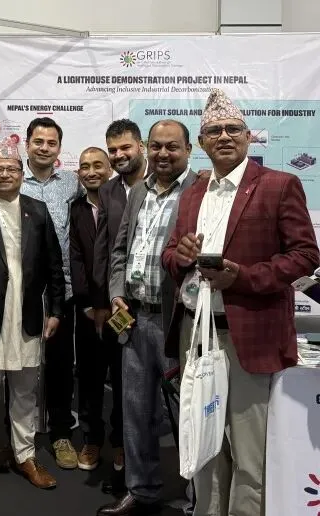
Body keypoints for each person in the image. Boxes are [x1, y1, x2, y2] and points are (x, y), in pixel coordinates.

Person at [162, 89, 319, 516]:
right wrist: (180, 255)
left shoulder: (278, 185)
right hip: (196, 333)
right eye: (214, 130)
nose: (224, 136)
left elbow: (305, 255)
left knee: (250, 453)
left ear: (249, 136)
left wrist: (243, 277)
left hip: (248, 337)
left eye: (233, 129)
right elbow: (171, 253)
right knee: (205, 447)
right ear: (202, 141)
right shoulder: (194, 192)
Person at [97, 120, 198, 516]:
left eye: (172, 147)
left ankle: (197, 498)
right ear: (146, 147)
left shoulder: (200, 190)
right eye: (156, 146)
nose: (163, 154)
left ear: (189, 149)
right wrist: (116, 294)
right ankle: (141, 489)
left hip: (179, 322)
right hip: (134, 319)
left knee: (187, 413)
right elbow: (120, 250)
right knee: (136, 411)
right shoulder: (138, 190)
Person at [0, 138, 65, 499]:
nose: (5, 174)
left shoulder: (38, 210)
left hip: (27, 315)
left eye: (11, 169)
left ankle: (26, 456)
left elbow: (54, 265)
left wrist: (56, 310)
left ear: (22, 175)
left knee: (25, 395)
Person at [17, 116, 82, 470]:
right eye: (38, 141)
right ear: (27, 144)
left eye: (51, 143)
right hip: (21, 292)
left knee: (59, 365)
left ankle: (60, 432)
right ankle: (16, 437)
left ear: (59, 148)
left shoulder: (72, 183)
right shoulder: (12, 179)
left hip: (63, 290)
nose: (44, 148)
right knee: (18, 365)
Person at [90, 120, 148, 491]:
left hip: (159, 305)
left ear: (140, 145)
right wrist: (101, 303)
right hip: (118, 307)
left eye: (125, 147)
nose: (118, 155)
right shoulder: (109, 189)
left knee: (157, 391)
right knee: (123, 383)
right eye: (112, 150)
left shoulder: (164, 184)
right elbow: (104, 249)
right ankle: (123, 458)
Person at [69, 147, 122, 472]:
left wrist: (115, 301)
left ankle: (121, 442)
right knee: (89, 378)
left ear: (109, 169)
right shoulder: (75, 209)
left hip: (122, 308)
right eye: (85, 166)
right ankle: (91, 440)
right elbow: (75, 258)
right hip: (88, 310)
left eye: (98, 165)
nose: (91, 172)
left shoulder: (125, 201)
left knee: (123, 378)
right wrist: (88, 304)